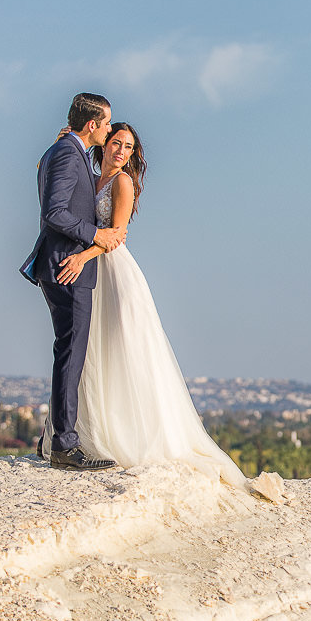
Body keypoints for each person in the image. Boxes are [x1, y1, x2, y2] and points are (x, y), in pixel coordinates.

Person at [52, 121, 248, 487]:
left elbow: (116, 236)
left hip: (113, 272)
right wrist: (64, 140)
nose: (122, 151)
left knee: (127, 352)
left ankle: (135, 437)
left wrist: (81, 258)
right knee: (93, 353)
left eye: (128, 147)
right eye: (116, 143)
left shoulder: (121, 183)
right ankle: (92, 432)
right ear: (103, 143)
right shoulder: (90, 176)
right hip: (93, 272)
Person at [21, 93, 125, 471]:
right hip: (69, 267)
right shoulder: (67, 152)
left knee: (69, 353)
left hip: (64, 265)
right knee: (70, 354)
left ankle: (55, 437)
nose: (110, 129)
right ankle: (64, 445)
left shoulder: (62, 150)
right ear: (92, 124)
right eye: (107, 123)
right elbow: (55, 213)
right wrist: (95, 235)